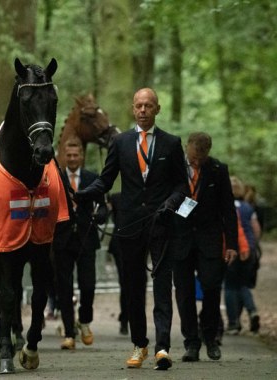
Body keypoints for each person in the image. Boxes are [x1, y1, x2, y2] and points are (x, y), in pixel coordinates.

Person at [75, 88, 188, 370]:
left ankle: (163, 347)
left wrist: (170, 204)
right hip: (129, 227)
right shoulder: (121, 142)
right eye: (138, 105)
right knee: (133, 287)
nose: (143, 110)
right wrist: (82, 194)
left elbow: (182, 185)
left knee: (162, 285)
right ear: (132, 109)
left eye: (148, 106)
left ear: (157, 109)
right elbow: (105, 180)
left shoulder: (172, 144)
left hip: (162, 225)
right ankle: (140, 345)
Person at [169, 132, 238, 363]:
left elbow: (229, 209)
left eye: (201, 158)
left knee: (211, 287)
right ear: (187, 148)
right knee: (184, 292)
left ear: (208, 153)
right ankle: (191, 343)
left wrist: (232, 244)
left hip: (210, 241)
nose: (196, 162)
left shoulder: (218, 170)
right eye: (193, 158)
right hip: (181, 241)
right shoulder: (175, 167)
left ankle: (210, 336)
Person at [53, 139, 108, 350]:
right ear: (64, 156)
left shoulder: (93, 178)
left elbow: (103, 208)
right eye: (69, 155)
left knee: (88, 286)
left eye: (76, 155)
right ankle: (69, 333)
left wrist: (99, 216)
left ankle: (84, 321)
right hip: (62, 241)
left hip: (87, 239)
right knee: (64, 288)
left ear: (82, 157)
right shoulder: (56, 179)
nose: (73, 158)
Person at [225, 176, 261, 335]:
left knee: (230, 286)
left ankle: (233, 323)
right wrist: (253, 245)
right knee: (243, 284)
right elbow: (256, 229)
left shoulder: (223, 205)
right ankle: (252, 310)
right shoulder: (247, 207)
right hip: (249, 251)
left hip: (230, 250)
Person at [108, 192, 129, 335]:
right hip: (120, 243)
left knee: (134, 282)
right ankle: (125, 318)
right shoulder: (115, 198)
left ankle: (127, 317)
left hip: (137, 240)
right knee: (125, 283)